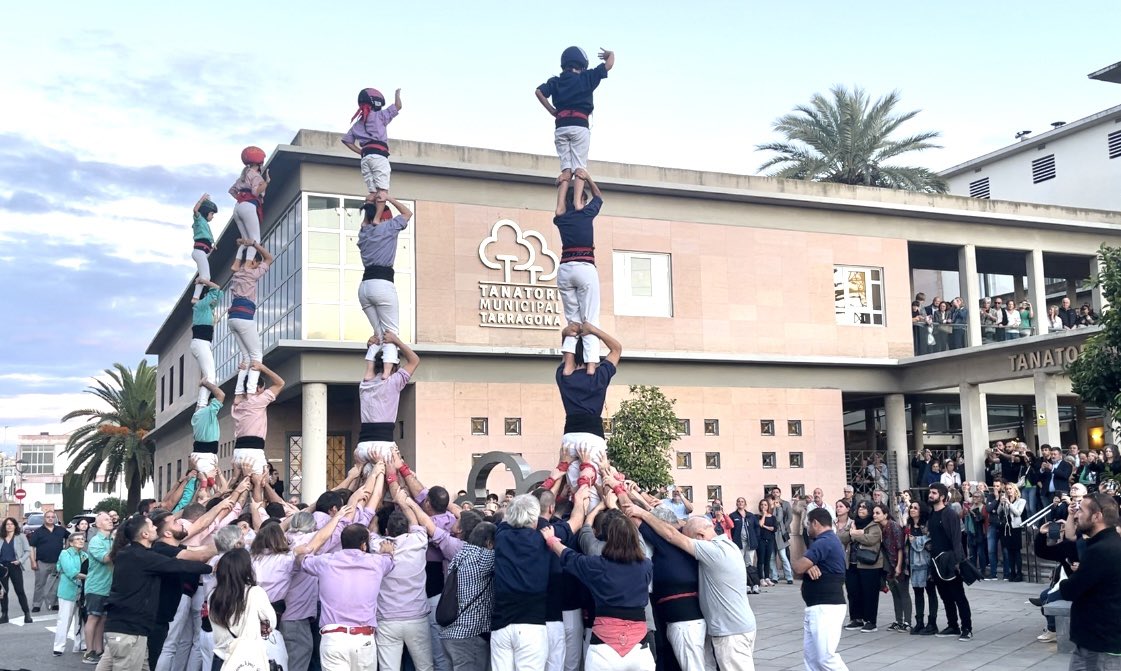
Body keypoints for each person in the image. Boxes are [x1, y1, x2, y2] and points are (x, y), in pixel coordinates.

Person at [630, 507, 757, 671]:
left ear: (700, 536)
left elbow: (672, 535)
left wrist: (642, 513)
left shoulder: (712, 551)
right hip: (736, 626)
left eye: (691, 539)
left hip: (729, 632)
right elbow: (679, 526)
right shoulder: (728, 545)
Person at [95, 514, 213, 671]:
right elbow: (179, 565)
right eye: (151, 526)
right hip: (130, 632)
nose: (155, 527)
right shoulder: (143, 557)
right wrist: (212, 568)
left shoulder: (127, 554)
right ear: (144, 534)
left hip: (122, 629)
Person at [543, 511, 654, 671]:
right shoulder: (646, 565)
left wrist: (552, 540)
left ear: (605, 536)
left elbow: (570, 557)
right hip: (640, 645)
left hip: (603, 644)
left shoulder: (596, 565)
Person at [299, 524, 396, 671]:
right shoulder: (378, 562)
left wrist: (298, 552)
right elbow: (389, 560)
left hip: (333, 638)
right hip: (364, 638)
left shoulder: (325, 562)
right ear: (364, 545)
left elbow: (303, 561)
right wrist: (387, 552)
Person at [535, 46, 615, 209]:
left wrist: (552, 110)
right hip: (580, 126)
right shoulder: (587, 77)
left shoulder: (556, 81)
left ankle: (560, 206)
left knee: (566, 170)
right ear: (582, 64)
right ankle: (578, 202)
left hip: (561, 127)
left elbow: (538, 92)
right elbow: (609, 65)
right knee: (579, 167)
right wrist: (610, 54)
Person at [556, 322, 622, 507]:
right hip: (592, 436)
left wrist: (565, 335)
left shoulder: (563, 376)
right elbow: (617, 349)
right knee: (596, 489)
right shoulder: (599, 376)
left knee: (576, 490)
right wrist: (593, 331)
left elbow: (566, 357)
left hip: (570, 436)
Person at [1058, 493, 1121, 668]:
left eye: (1081, 510)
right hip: (1103, 639)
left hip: (1098, 643)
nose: (1077, 514)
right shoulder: (1112, 543)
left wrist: (1063, 582)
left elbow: (1070, 590)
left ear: (1097, 516)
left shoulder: (1101, 549)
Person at [356, 196, 414, 375]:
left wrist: (370, 204)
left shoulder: (364, 232)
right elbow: (407, 213)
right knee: (391, 334)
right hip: (383, 283)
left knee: (379, 334)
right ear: (386, 217)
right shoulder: (388, 228)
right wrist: (388, 198)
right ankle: (387, 374)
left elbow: (366, 221)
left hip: (365, 286)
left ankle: (369, 372)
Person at [553, 169, 604, 363]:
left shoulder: (561, 218)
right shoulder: (586, 214)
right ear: (582, 200)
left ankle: (568, 365)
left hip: (565, 269)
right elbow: (599, 197)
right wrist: (588, 178)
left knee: (572, 321)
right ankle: (591, 364)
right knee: (590, 320)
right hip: (584, 267)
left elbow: (559, 208)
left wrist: (563, 183)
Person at [793, 507, 849, 671]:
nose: (807, 528)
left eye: (808, 524)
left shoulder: (825, 541)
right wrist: (809, 566)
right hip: (816, 606)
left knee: (825, 657)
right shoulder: (825, 541)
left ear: (815, 523)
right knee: (812, 659)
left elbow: (797, 567)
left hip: (826, 607)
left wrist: (806, 565)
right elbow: (800, 570)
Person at [354, 331, 419, 472]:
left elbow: (371, 366)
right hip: (383, 445)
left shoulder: (364, 384)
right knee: (390, 489)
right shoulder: (393, 382)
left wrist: (372, 348)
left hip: (363, 447)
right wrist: (396, 341)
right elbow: (414, 360)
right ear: (394, 366)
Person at [440, 521, 497, 671]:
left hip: (450, 633)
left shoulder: (460, 555)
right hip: (469, 636)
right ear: (489, 543)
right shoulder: (483, 557)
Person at [210, 548, 277, 671]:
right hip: (248, 661)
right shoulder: (255, 593)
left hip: (221, 660)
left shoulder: (213, 596)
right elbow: (271, 622)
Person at [342, 87, 403, 219]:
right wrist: (397, 94)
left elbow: (346, 140)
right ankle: (376, 219)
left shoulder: (357, 124)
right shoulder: (380, 116)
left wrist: (361, 151)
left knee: (372, 192)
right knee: (382, 191)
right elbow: (398, 106)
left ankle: (366, 220)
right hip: (379, 156)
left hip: (365, 158)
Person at [926, 484, 972, 641]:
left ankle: (967, 628)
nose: (930, 495)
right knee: (945, 596)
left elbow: (956, 539)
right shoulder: (932, 514)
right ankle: (953, 625)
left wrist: (958, 561)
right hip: (936, 561)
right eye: (930, 492)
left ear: (943, 497)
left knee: (958, 595)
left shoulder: (950, 514)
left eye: (934, 493)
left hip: (950, 560)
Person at [228, 239, 274, 395]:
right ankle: (251, 391)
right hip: (243, 317)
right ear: (254, 261)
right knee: (256, 355)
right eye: (256, 262)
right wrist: (254, 244)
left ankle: (239, 393)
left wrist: (242, 246)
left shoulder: (236, 274)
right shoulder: (251, 273)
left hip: (232, 318)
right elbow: (269, 258)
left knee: (246, 358)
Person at [231, 360, 284, 477]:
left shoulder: (237, 404)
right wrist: (262, 368)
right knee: (259, 486)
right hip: (253, 450)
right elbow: (280, 383)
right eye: (263, 388)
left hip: (238, 451)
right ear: (257, 388)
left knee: (241, 487)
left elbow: (239, 391)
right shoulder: (258, 401)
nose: (264, 391)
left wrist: (242, 372)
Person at [839, 501, 882, 633]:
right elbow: (842, 537)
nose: (861, 509)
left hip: (869, 564)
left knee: (869, 593)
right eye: (859, 507)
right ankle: (856, 619)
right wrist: (856, 533)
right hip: (852, 563)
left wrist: (855, 534)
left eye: (864, 507)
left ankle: (870, 621)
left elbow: (871, 539)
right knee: (853, 592)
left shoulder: (874, 525)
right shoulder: (853, 522)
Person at [229, 146, 269, 263]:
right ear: (260, 163)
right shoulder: (256, 176)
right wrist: (266, 183)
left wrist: (241, 198)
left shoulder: (242, 176)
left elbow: (232, 191)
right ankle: (248, 264)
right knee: (254, 239)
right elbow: (255, 192)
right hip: (249, 205)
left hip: (238, 207)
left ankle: (237, 263)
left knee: (245, 239)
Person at [83, 512, 114, 664]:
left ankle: (99, 649)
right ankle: (89, 652)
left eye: (111, 519)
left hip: (109, 586)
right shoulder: (95, 541)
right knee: (93, 617)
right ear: (99, 524)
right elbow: (106, 558)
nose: (110, 521)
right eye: (106, 520)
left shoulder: (113, 539)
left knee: (102, 619)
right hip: (96, 586)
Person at [876, 503, 911, 633]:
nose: (875, 515)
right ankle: (898, 620)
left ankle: (907, 622)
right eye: (874, 513)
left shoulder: (894, 526)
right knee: (895, 594)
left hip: (899, 564)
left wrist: (899, 566)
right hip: (889, 565)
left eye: (878, 513)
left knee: (903, 593)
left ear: (885, 514)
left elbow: (900, 547)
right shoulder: (881, 528)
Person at [53, 532, 89, 656]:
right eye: (77, 539)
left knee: (82, 619)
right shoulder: (65, 554)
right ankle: (59, 647)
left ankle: (82, 644)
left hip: (82, 592)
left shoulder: (85, 555)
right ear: (71, 542)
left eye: (82, 539)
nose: (81, 541)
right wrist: (90, 578)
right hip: (67, 591)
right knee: (64, 619)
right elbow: (71, 572)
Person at [905, 502, 937, 636]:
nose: (912, 509)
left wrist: (916, 540)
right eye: (911, 507)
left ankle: (932, 623)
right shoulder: (908, 526)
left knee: (930, 592)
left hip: (927, 563)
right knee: (918, 592)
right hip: (913, 563)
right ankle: (919, 622)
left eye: (915, 508)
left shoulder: (927, 525)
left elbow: (931, 542)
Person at [191, 277, 222, 407]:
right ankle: (202, 405)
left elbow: (219, 294)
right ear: (206, 296)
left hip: (203, 343)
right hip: (200, 342)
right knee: (210, 377)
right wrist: (203, 280)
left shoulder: (207, 308)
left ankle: (202, 404)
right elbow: (217, 289)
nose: (215, 300)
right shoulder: (201, 306)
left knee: (211, 376)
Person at [29, 509, 67, 612]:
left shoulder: (61, 530)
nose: (50, 519)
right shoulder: (38, 532)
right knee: (39, 584)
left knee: (56, 585)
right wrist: (33, 561)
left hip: (58, 562)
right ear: (44, 519)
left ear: (54, 518)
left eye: (52, 517)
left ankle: (54, 603)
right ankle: (37, 604)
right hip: (42, 562)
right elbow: (31, 547)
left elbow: (71, 538)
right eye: (48, 517)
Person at [190, 378, 224, 489]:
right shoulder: (208, 412)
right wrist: (206, 383)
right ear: (211, 402)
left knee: (203, 488)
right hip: (206, 456)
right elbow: (221, 395)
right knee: (207, 490)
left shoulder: (197, 416)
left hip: (202, 455)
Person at [0, 517, 32, 624]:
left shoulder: (20, 537)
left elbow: (28, 551)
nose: (9, 526)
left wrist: (20, 561)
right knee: (3, 592)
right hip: (2, 567)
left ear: (15, 525)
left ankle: (27, 614)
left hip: (15, 566)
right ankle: (4, 615)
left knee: (20, 591)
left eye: (11, 524)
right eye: (7, 524)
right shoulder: (1, 537)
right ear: (4, 526)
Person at [190, 193, 219, 303]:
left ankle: (196, 296)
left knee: (205, 276)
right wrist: (202, 199)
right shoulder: (199, 219)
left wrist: (212, 245)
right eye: (212, 213)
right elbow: (195, 210)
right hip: (199, 252)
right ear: (206, 212)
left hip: (202, 252)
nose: (212, 216)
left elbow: (208, 237)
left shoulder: (205, 224)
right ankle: (195, 298)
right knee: (206, 276)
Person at [997, 483, 1027, 582]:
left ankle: (1019, 573)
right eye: (1007, 489)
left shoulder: (1021, 501)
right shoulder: (1005, 500)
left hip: (1015, 527)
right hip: (1007, 527)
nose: (1009, 491)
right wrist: (1001, 503)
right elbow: (998, 512)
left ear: (1014, 490)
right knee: (1009, 551)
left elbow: (1018, 512)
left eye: (1010, 489)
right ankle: (1012, 572)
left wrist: (1009, 504)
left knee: (1016, 551)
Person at [769, 487, 794, 584]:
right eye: (773, 492)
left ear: (780, 493)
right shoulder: (770, 504)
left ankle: (788, 576)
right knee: (772, 556)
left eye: (777, 492)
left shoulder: (785, 504)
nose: (775, 493)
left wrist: (784, 527)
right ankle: (775, 576)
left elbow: (789, 517)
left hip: (782, 531)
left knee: (784, 555)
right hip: (771, 532)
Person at [729, 497, 760, 571]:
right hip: (739, 542)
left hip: (750, 542)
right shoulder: (732, 515)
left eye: (742, 501)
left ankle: (749, 579)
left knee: (749, 562)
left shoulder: (751, 515)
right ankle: (740, 580)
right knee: (739, 561)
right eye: (739, 501)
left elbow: (757, 527)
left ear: (745, 504)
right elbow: (730, 529)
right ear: (736, 503)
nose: (740, 503)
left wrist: (756, 538)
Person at [757, 499, 777, 587]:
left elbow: (774, 529)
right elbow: (760, 524)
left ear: (768, 506)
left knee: (767, 560)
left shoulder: (773, 517)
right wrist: (764, 515)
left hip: (770, 540)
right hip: (761, 540)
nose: (763, 506)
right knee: (760, 560)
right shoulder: (757, 516)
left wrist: (764, 526)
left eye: (765, 505)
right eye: (762, 505)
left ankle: (767, 578)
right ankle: (761, 578)